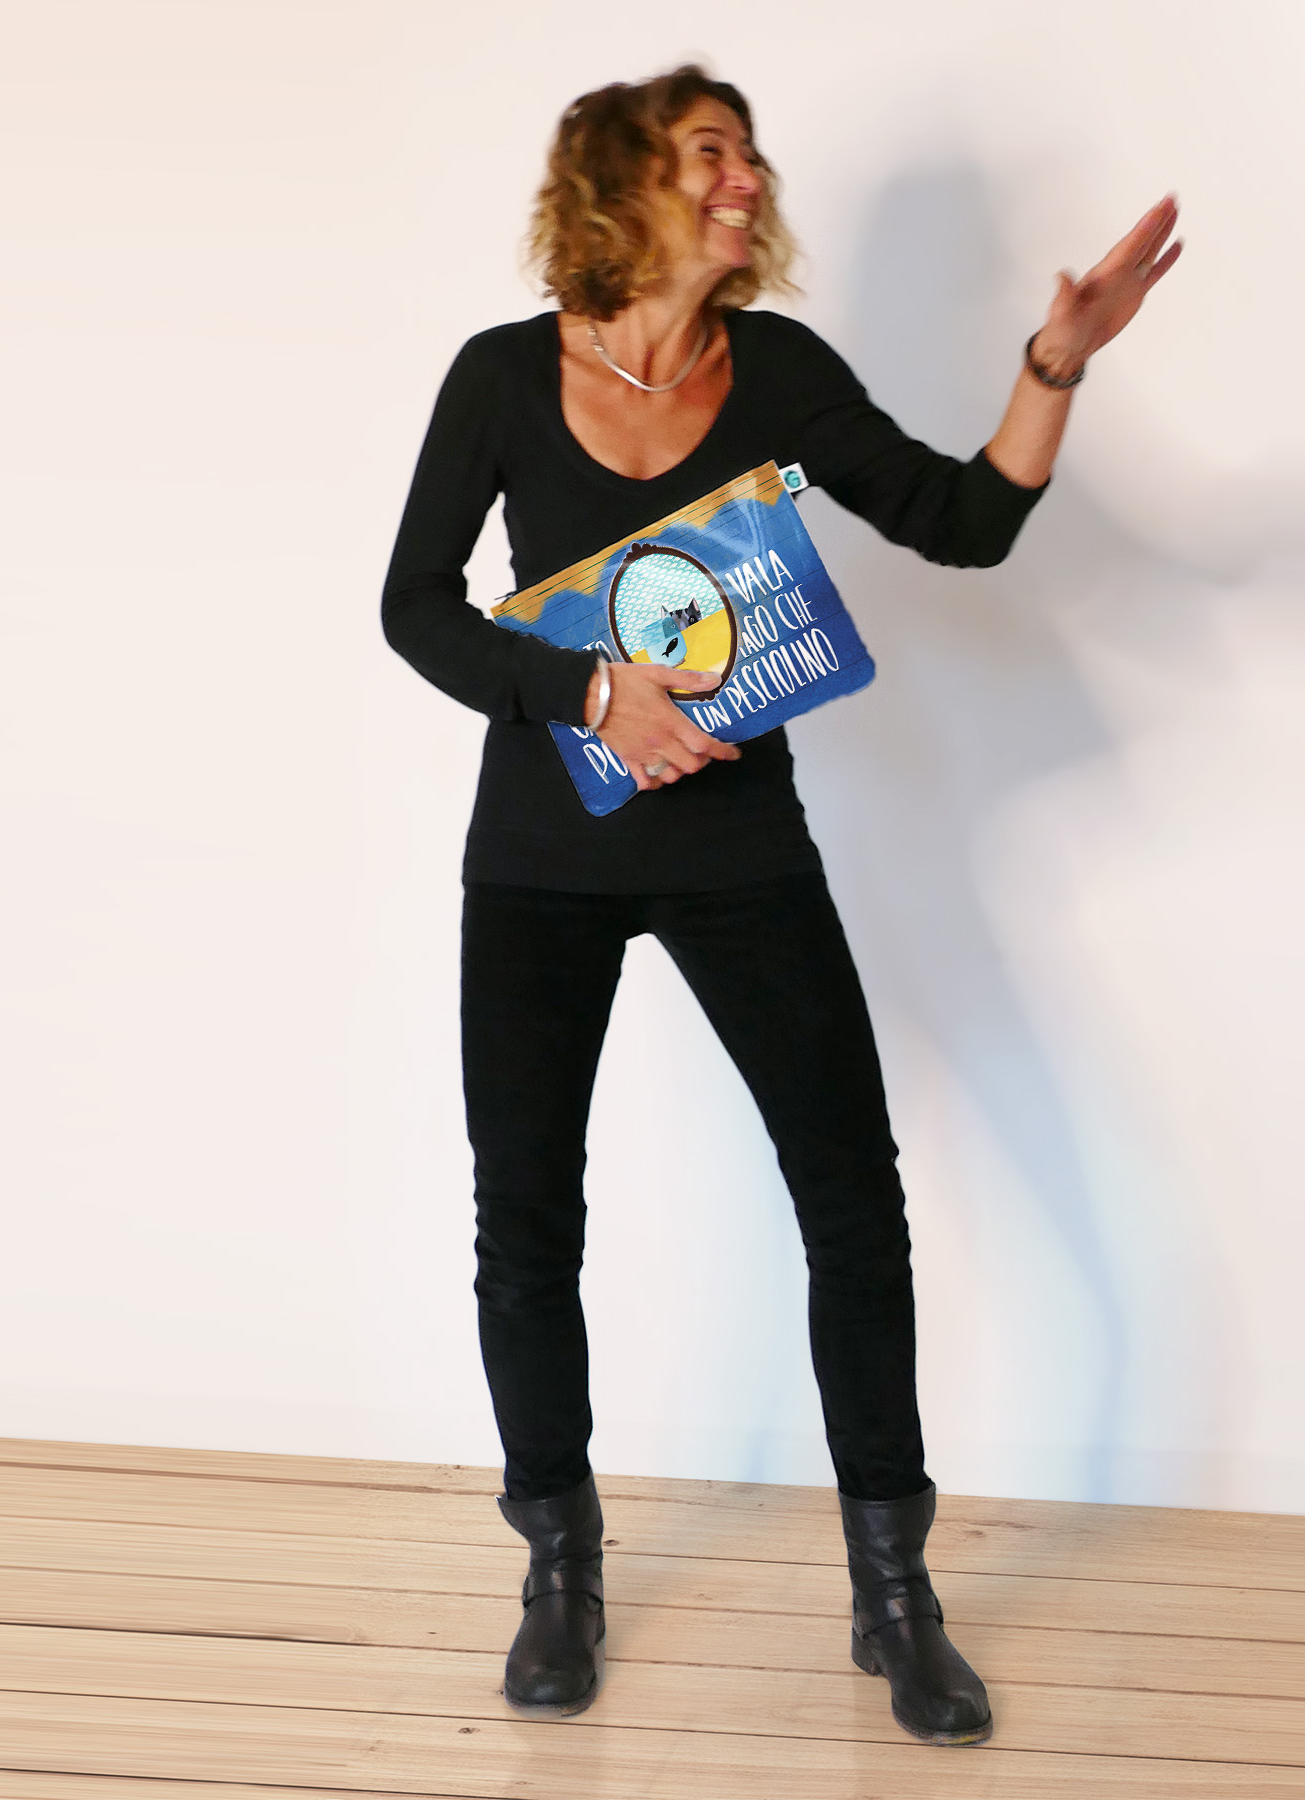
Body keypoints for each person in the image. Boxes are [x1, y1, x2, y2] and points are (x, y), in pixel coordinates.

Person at [382, 64, 1179, 1747]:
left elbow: (964, 524)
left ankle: (896, 1596)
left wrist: (1055, 365)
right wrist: (590, 691)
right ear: (620, 180)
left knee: (852, 1202)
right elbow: (415, 608)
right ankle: (559, 1570)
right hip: (538, 860)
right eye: (709, 152)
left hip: (741, 851)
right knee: (526, 1221)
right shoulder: (501, 376)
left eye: (749, 154)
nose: (746, 178)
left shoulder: (782, 374)